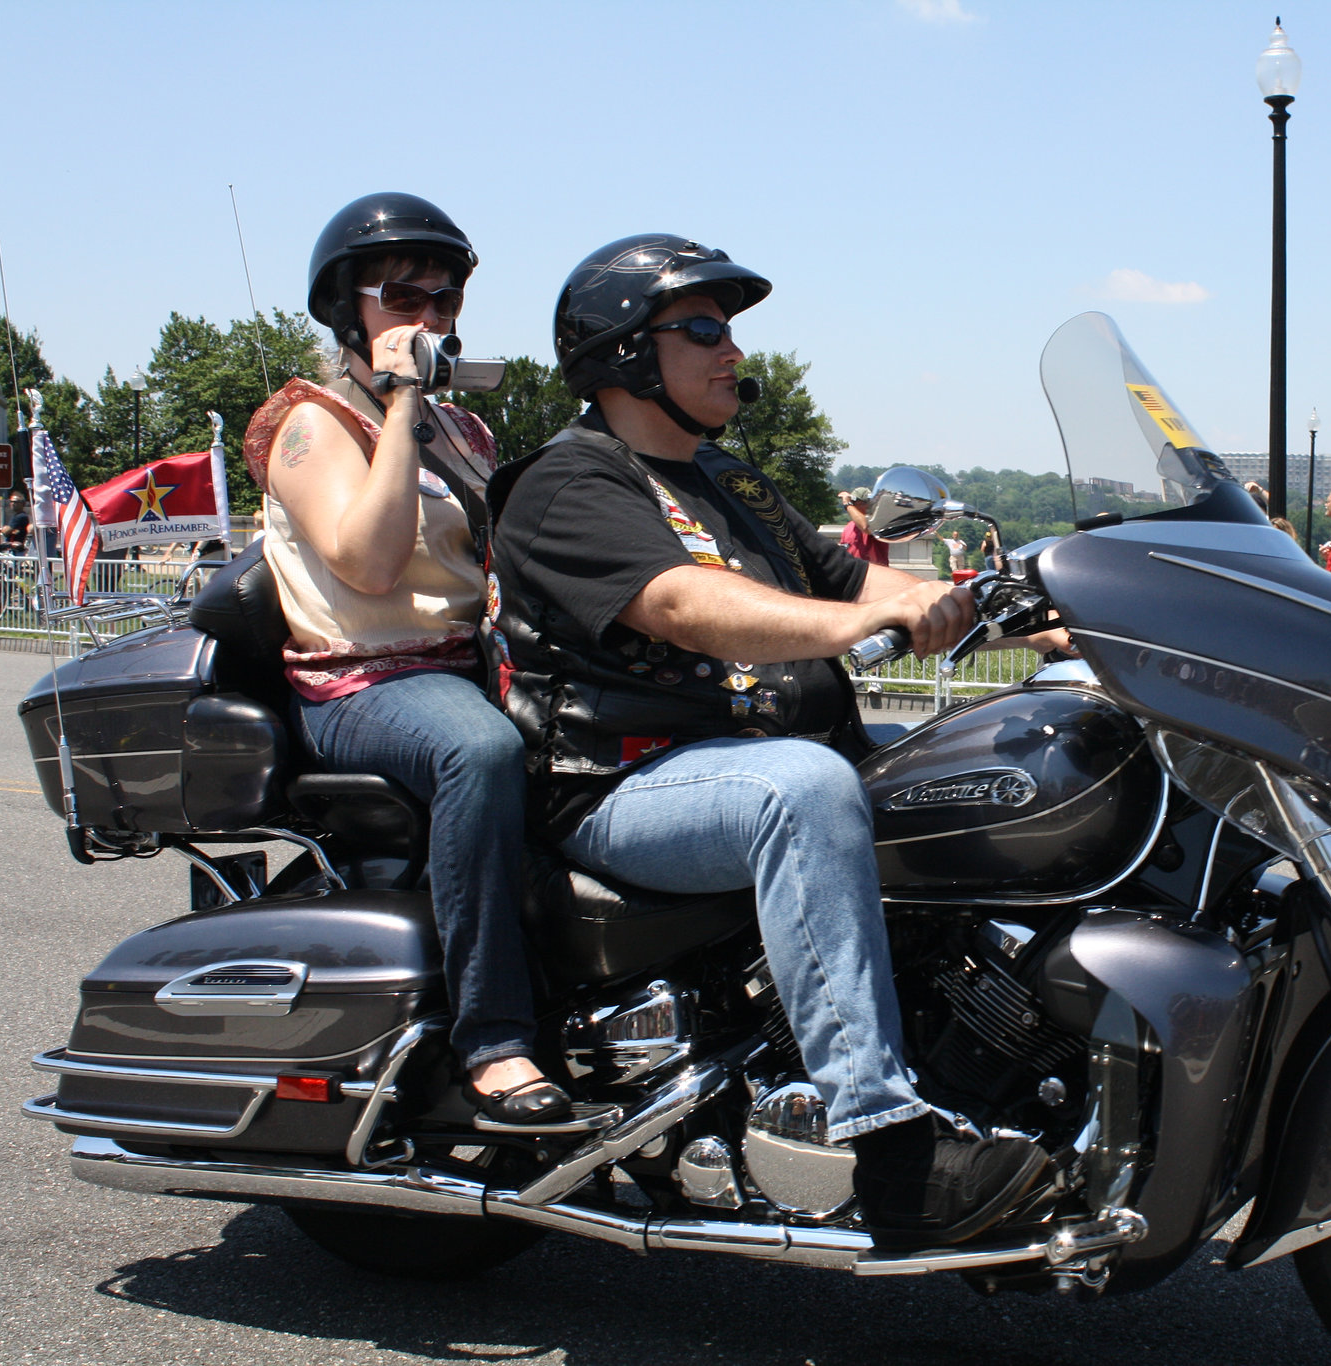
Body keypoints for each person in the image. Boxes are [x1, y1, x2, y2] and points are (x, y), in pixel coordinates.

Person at [486, 233, 1064, 1245]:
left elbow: (856, 582)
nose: (732, 351)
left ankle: (1015, 1063)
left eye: (730, 329)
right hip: (627, 785)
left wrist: (1037, 615)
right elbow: (686, 604)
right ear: (626, 353)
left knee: (1001, 754)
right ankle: (889, 1146)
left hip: (744, 758)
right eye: (701, 328)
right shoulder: (567, 484)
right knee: (799, 787)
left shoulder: (730, 483)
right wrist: (859, 625)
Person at [241, 193, 563, 1126]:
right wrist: (404, 397)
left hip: (465, 664)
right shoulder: (305, 423)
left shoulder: (466, 433)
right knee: (481, 753)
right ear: (350, 308)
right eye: (403, 296)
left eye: (446, 299)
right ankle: (494, 1044)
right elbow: (371, 563)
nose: (428, 315)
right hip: (364, 680)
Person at [837, 486, 889, 566]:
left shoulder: (877, 522)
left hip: (873, 573)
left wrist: (847, 504)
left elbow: (865, 527)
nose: (856, 507)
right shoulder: (849, 526)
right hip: (853, 573)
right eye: (854, 504)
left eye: (861, 504)